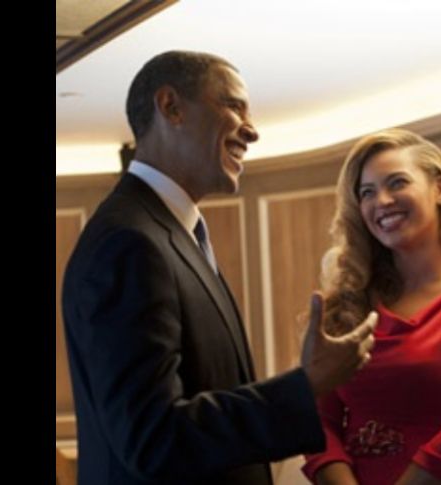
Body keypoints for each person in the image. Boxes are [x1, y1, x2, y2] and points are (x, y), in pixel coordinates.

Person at [61, 50, 377, 485]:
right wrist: (305, 386)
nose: (252, 130)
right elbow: (153, 439)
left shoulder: (170, 233)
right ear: (170, 106)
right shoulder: (129, 242)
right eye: (233, 106)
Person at [302, 128, 441, 485]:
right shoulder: (348, 304)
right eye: (367, 192)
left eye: (397, 183)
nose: (381, 201)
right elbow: (317, 420)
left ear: (440, 189)